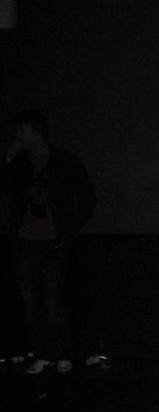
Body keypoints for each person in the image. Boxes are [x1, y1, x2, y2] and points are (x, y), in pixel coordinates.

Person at [1, 110, 96, 374]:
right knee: (31, 302)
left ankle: (64, 354)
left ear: (38, 132)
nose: (18, 136)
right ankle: (42, 354)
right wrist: (8, 159)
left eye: (23, 130)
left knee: (53, 300)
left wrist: (69, 231)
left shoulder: (64, 161)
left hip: (54, 241)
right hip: (24, 241)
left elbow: (87, 198)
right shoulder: (20, 163)